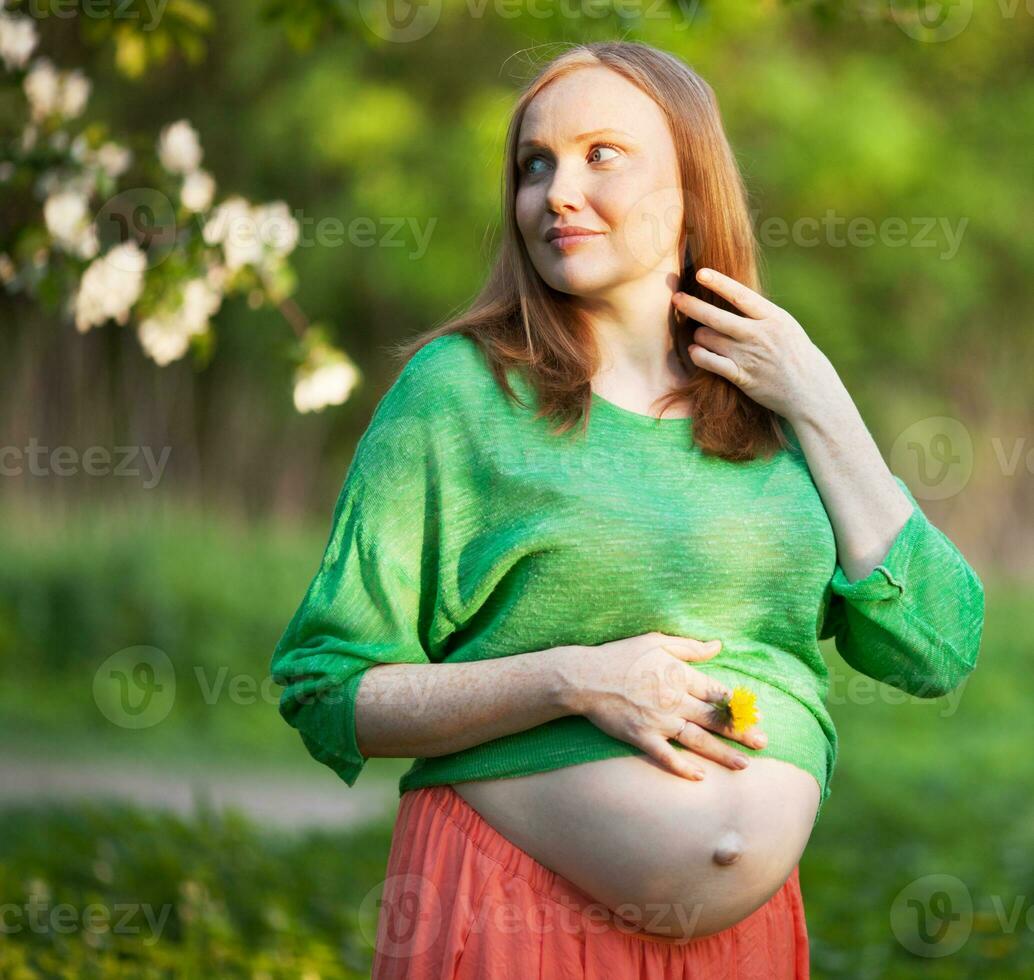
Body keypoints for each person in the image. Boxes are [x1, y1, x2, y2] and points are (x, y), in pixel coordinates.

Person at [270, 40, 985, 979]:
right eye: (536, 164)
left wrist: (820, 400)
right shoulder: (458, 393)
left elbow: (939, 645)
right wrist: (570, 681)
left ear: (693, 184)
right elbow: (326, 686)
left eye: (602, 154)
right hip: (510, 910)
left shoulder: (780, 412)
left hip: (743, 948)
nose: (557, 191)